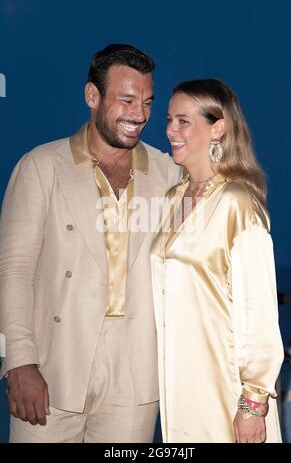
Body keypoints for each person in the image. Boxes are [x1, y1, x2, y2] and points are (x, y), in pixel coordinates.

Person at [0, 44, 181, 443]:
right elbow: (13, 272)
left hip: (135, 373)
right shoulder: (41, 167)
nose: (139, 114)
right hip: (54, 364)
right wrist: (19, 363)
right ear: (92, 96)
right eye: (127, 100)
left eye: (148, 102)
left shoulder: (169, 174)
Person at [150, 78, 284, 443]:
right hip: (180, 387)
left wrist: (253, 402)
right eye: (168, 120)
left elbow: (257, 310)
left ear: (218, 128)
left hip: (226, 393)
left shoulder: (238, 202)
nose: (169, 130)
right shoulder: (173, 199)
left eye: (183, 121)